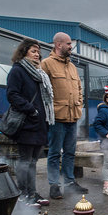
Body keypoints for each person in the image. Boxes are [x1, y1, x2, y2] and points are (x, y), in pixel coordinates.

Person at [7, 38, 54, 207]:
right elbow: (12, 94)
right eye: (33, 51)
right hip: (27, 122)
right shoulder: (18, 70)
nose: (37, 54)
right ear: (24, 51)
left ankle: (32, 193)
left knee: (33, 161)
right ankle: (22, 194)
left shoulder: (39, 73)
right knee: (25, 161)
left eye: (38, 51)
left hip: (40, 123)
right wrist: (31, 109)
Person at [41, 32, 88, 199]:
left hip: (72, 116)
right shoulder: (46, 64)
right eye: (68, 44)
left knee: (70, 152)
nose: (71, 47)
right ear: (58, 45)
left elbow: (79, 89)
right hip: (57, 117)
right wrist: (50, 110)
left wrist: (79, 105)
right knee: (54, 152)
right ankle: (54, 185)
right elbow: (43, 91)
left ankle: (69, 182)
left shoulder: (72, 66)